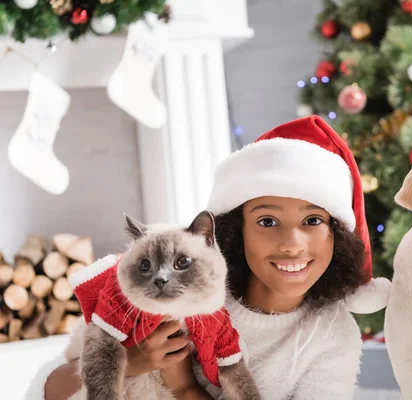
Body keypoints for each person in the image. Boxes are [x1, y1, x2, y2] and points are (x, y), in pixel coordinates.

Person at [38, 115, 391, 399]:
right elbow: (49, 387)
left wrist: (183, 386)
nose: (292, 244)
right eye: (267, 221)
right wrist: (129, 364)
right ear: (234, 231)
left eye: (312, 221)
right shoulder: (177, 282)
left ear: (338, 234)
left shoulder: (331, 336)